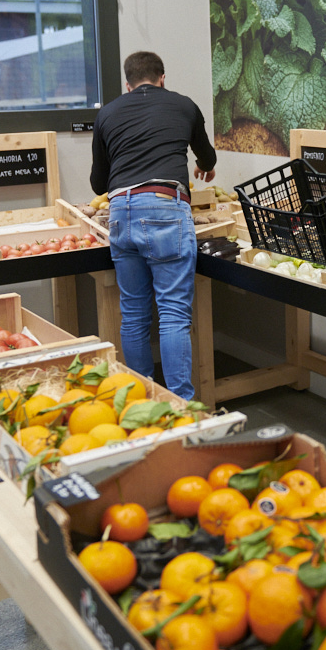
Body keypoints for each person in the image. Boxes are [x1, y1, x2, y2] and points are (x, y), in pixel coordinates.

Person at [90, 51, 217, 402]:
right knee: (173, 314)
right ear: (163, 78)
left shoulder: (108, 113)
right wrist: (205, 167)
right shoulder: (184, 105)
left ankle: (144, 402)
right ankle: (179, 407)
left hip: (121, 211)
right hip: (164, 207)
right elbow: (207, 157)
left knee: (133, 314)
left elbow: (98, 184)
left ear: (127, 85)